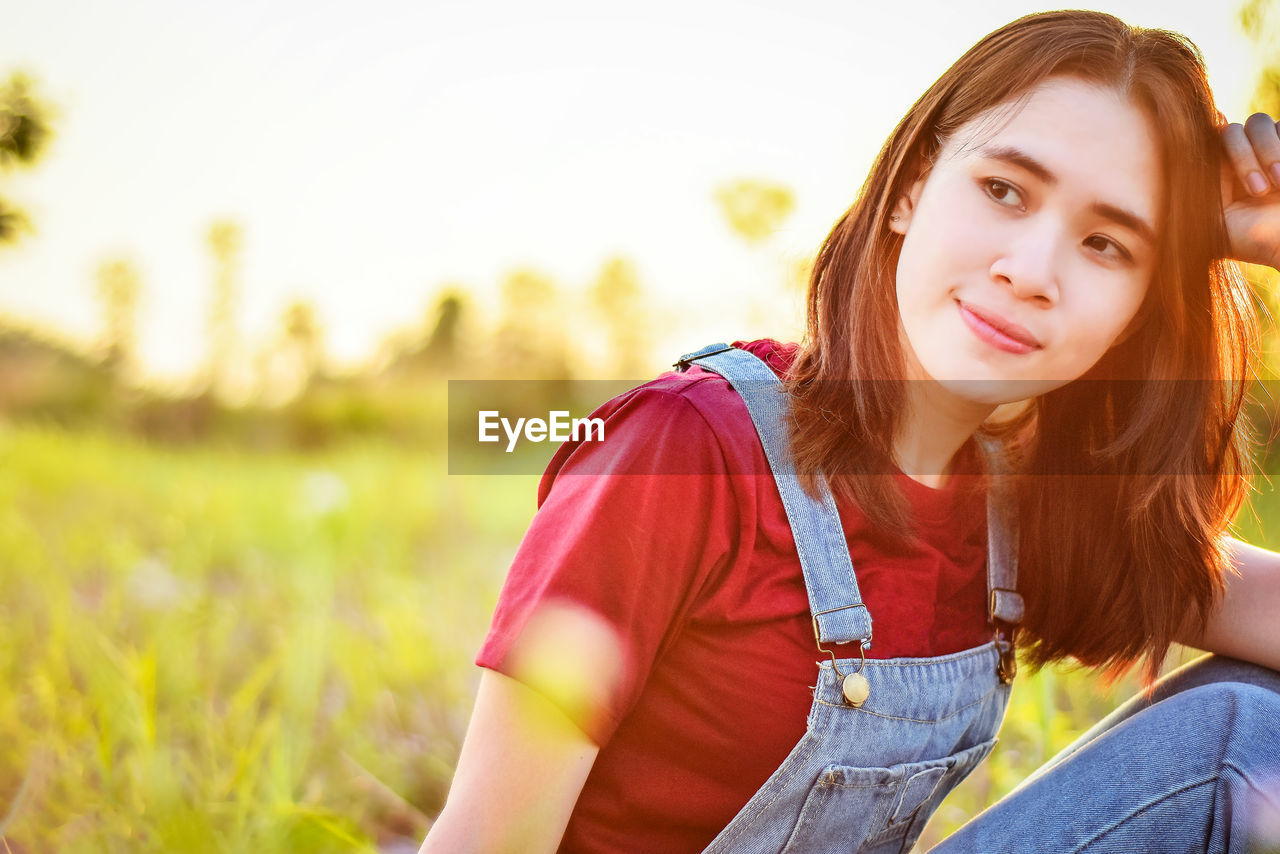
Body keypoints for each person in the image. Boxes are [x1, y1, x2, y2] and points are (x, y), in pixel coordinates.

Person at [421, 10, 1280, 853]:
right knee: (1237, 733)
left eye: (1107, 245)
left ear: (1139, 310)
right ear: (910, 187)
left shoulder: (1026, 506)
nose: (1031, 272)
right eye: (1003, 190)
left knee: (1254, 711)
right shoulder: (686, 452)